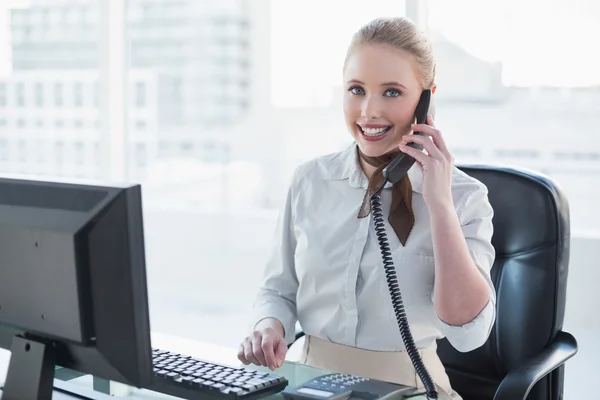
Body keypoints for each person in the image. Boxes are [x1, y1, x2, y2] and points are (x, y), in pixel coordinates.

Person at [237, 16, 496, 400]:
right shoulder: (311, 181)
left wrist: (439, 204)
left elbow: (469, 334)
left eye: (391, 92)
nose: (368, 111)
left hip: (410, 389)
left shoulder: (465, 197)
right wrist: (269, 324)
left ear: (426, 99)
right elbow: (278, 289)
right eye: (356, 90)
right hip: (309, 382)